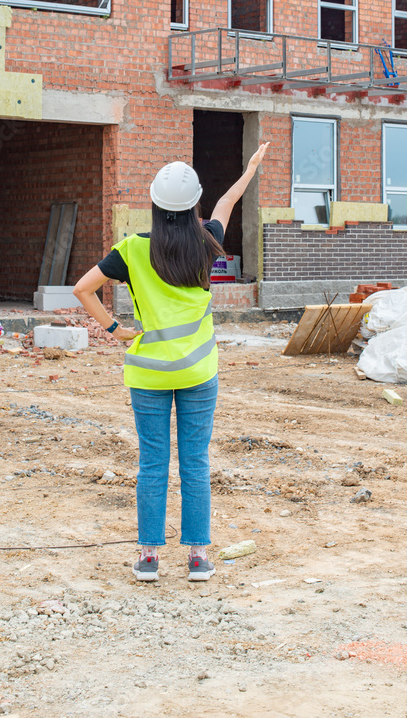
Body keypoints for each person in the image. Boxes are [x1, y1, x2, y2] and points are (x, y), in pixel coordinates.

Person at [73, 142, 269, 582]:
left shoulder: (130, 250)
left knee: (153, 462)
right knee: (195, 462)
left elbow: (83, 289)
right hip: (199, 371)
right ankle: (198, 558)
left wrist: (114, 329)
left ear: (155, 205)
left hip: (148, 374)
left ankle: (148, 558)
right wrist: (251, 168)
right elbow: (227, 201)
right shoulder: (209, 241)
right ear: (194, 204)